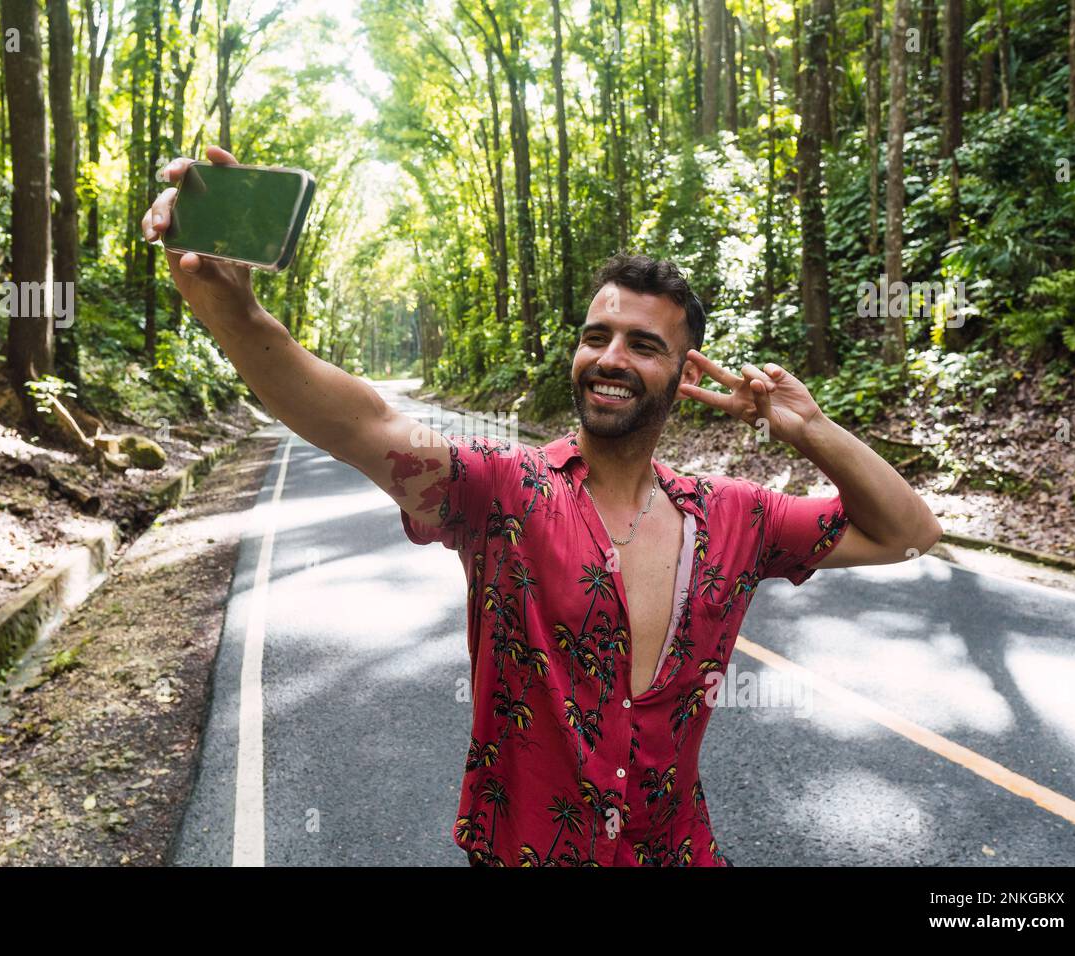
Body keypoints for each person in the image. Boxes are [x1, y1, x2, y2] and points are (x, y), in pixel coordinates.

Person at [142, 147, 943, 867]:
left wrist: (807, 428)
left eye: (642, 344)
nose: (610, 358)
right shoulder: (503, 493)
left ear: (681, 373)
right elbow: (361, 422)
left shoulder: (737, 518)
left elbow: (909, 535)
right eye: (597, 336)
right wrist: (233, 312)